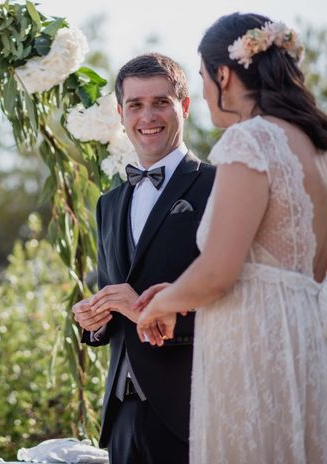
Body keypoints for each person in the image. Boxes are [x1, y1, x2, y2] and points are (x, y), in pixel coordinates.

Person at [136, 13, 327, 463]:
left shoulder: (252, 140)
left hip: (253, 352)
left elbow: (219, 272)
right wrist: (179, 292)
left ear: (223, 74)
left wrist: (157, 306)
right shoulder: (315, 147)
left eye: (202, 78)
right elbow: (290, 268)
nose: (203, 94)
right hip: (302, 343)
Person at [72, 53, 215, 463]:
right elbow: (113, 296)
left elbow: (234, 299)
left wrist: (147, 311)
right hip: (121, 416)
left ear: (184, 107)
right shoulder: (108, 203)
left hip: (190, 411)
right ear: (120, 113)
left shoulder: (218, 186)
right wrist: (93, 320)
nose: (147, 116)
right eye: (135, 104)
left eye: (160, 102)